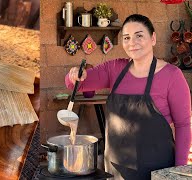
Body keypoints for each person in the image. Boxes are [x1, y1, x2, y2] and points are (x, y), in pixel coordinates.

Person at [65, 14, 191, 179]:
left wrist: (178, 171)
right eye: (126, 37)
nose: (132, 42)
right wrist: (74, 75)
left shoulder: (172, 75)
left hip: (157, 171)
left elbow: (183, 125)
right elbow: (76, 84)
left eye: (139, 35)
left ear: (153, 38)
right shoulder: (114, 68)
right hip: (117, 170)